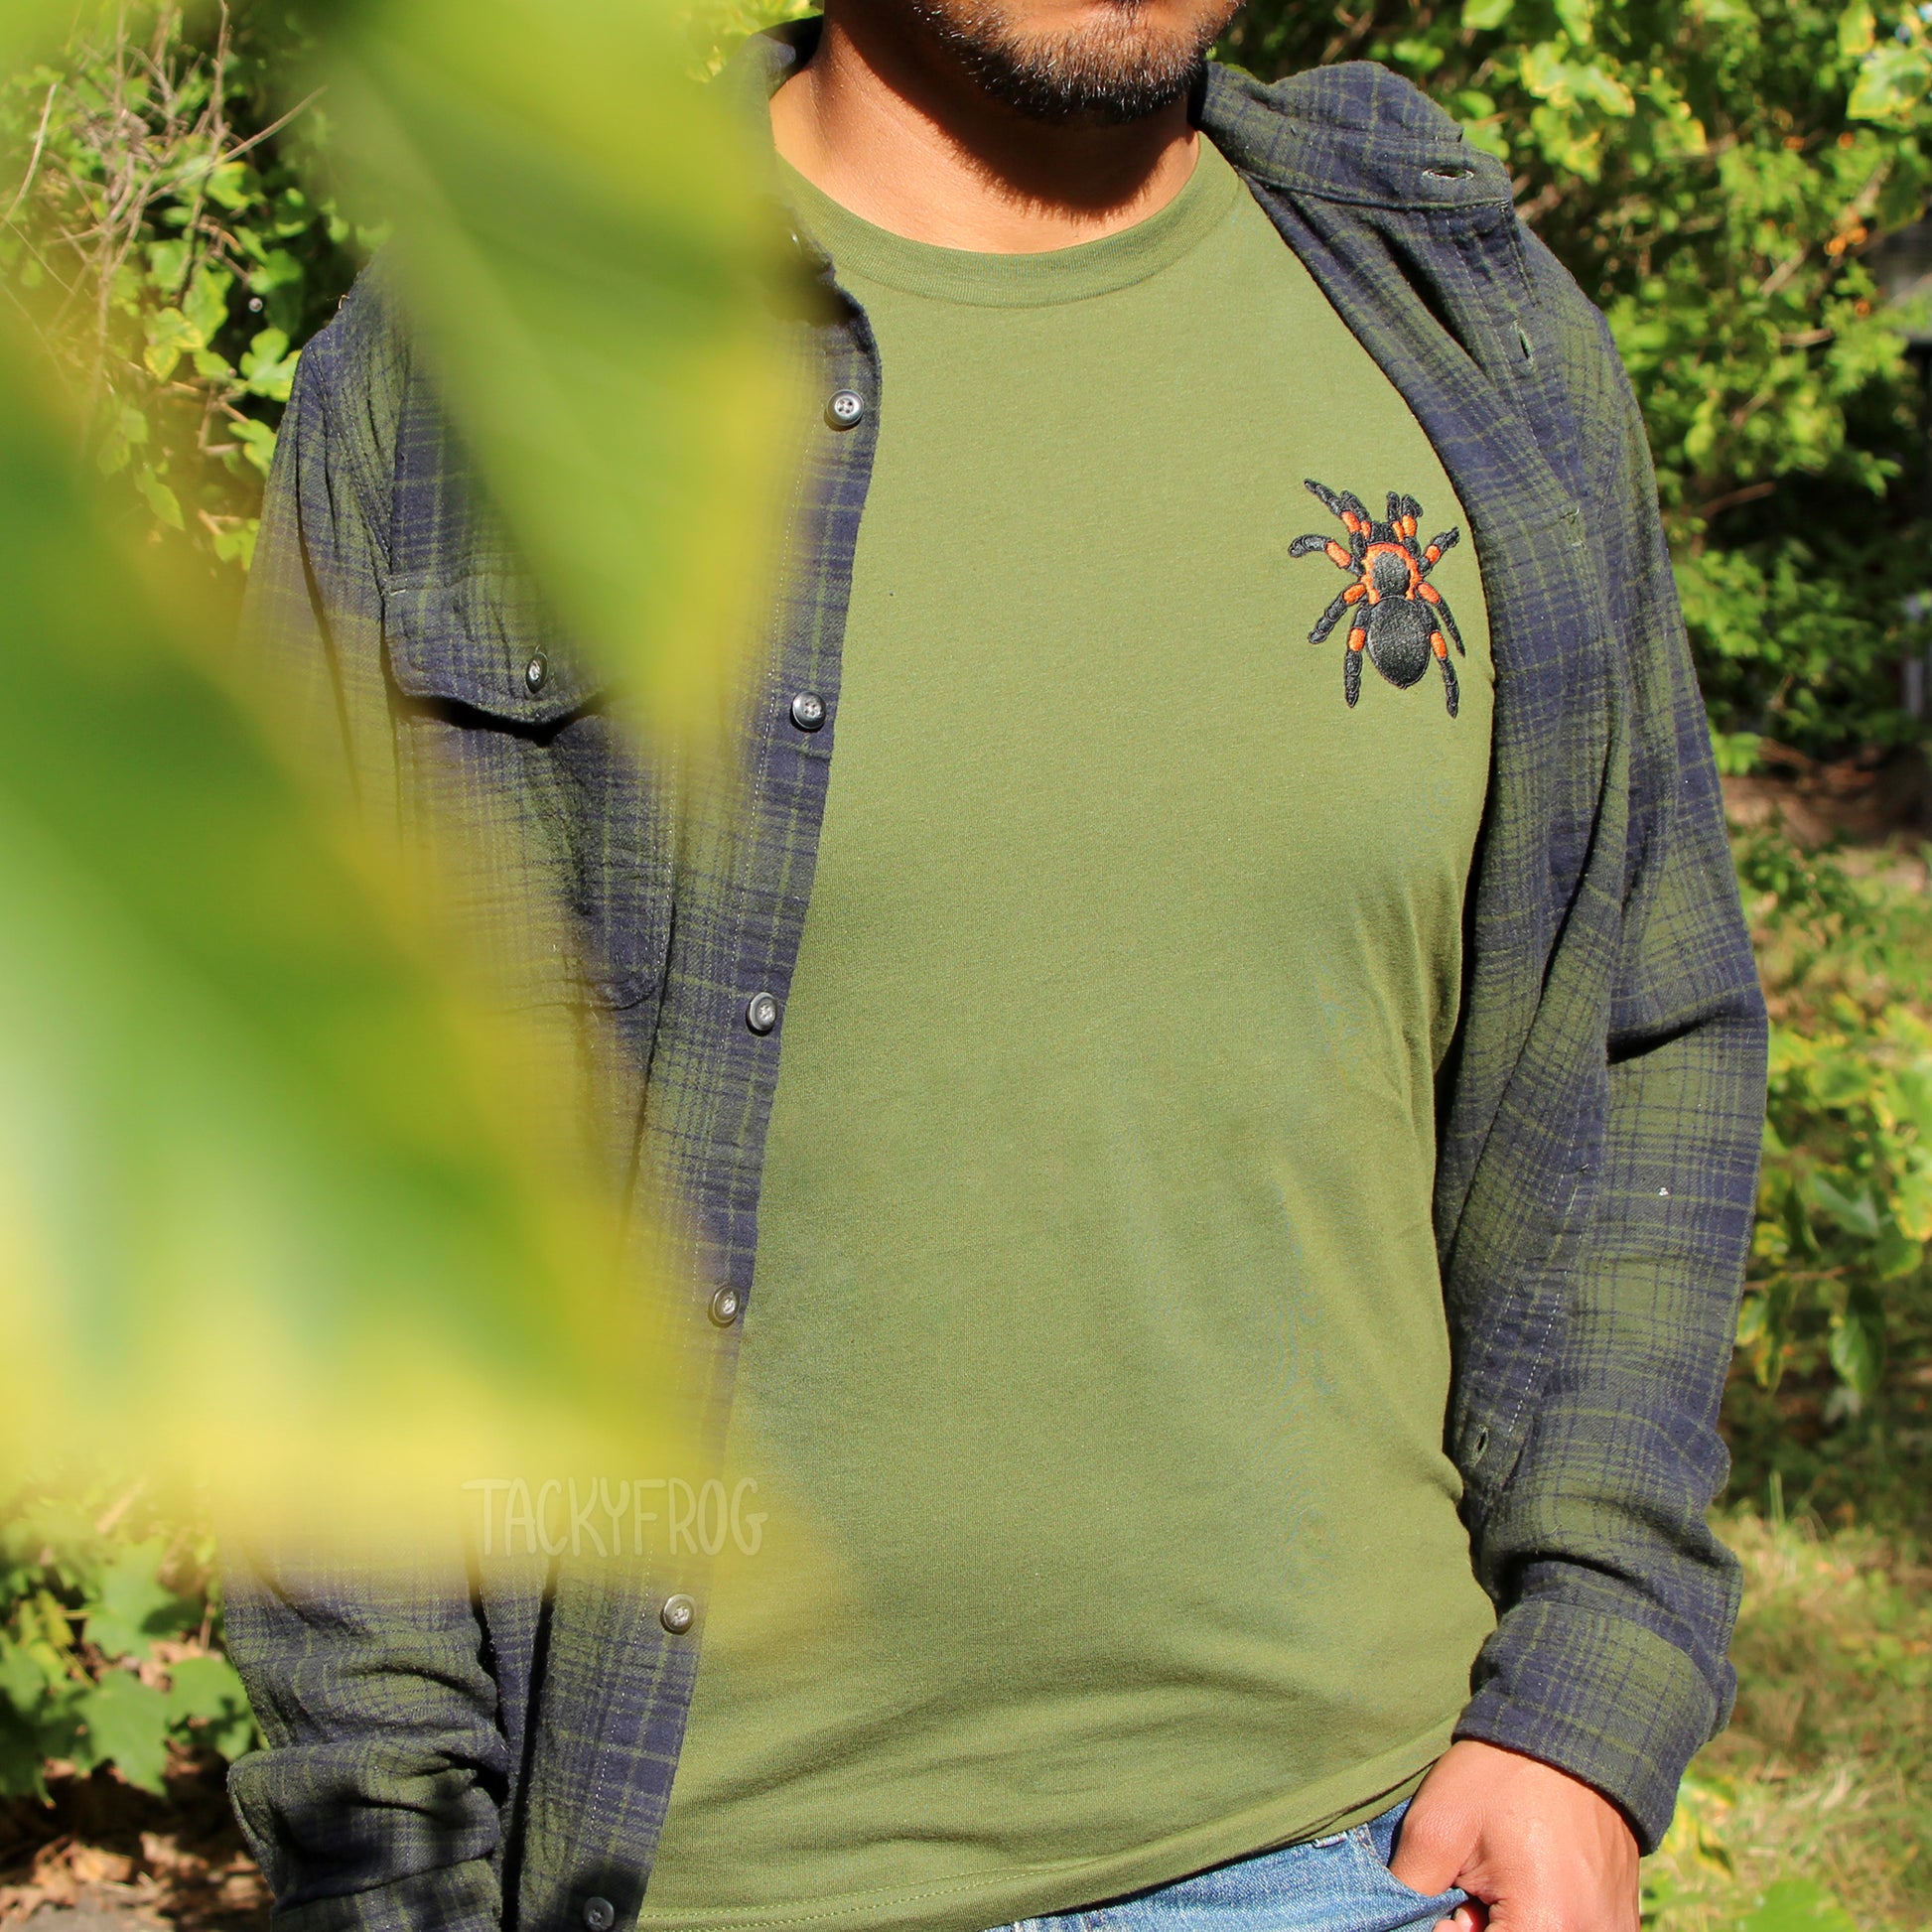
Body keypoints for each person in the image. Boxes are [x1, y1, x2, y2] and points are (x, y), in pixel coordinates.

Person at [221, 0, 1768, 1928]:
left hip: (1352, 1855)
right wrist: (385, 1856)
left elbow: (1641, 1034)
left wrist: (1583, 1701)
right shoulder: (475, 371)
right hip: (689, 1880)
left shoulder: (1465, 327)